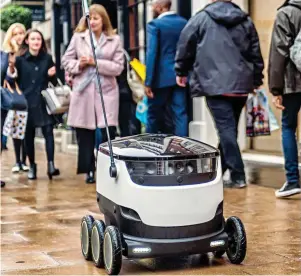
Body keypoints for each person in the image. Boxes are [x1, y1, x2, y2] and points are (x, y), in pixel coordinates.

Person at [175, 0, 264, 188]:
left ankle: (238, 174)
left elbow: (185, 45)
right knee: (229, 130)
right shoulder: (245, 20)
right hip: (240, 84)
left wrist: (181, 71)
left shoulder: (200, 19)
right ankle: (217, 172)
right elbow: (255, 51)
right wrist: (256, 79)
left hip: (213, 84)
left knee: (226, 130)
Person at [62, 4, 124, 184]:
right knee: (85, 133)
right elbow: (66, 60)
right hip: (83, 91)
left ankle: (107, 167)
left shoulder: (114, 40)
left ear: (103, 20)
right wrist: (79, 65)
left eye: (96, 18)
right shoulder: (78, 38)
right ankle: (88, 169)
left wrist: (95, 63)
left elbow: (118, 67)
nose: (93, 22)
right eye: (90, 18)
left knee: (107, 133)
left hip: (107, 92)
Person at [7, 29, 60, 180]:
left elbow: (55, 82)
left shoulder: (48, 58)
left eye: (39, 39)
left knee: (48, 133)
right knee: (28, 137)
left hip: (44, 102)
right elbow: (12, 81)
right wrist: (11, 69)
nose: (36, 42)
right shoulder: (20, 59)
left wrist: (53, 75)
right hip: (27, 103)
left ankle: (51, 164)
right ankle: (32, 166)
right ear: (27, 41)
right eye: (33, 39)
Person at [268, 0, 301, 198]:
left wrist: (276, 88)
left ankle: (293, 181)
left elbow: (279, 51)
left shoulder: (286, 13)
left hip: (293, 83)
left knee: (288, 127)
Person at [144, 0, 188, 137]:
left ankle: (149, 151)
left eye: (153, 5)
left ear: (159, 7)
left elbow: (152, 54)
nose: (152, 7)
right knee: (180, 113)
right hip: (181, 76)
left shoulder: (155, 24)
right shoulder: (184, 23)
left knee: (153, 114)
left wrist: (148, 82)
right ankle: (182, 151)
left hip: (160, 78)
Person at [2, 23, 29, 173]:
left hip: (28, 96)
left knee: (25, 130)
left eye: (21, 33)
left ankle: (24, 160)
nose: (19, 36)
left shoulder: (28, 52)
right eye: (15, 34)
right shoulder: (7, 54)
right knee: (16, 130)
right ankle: (18, 160)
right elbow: (7, 78)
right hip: (14, 96)